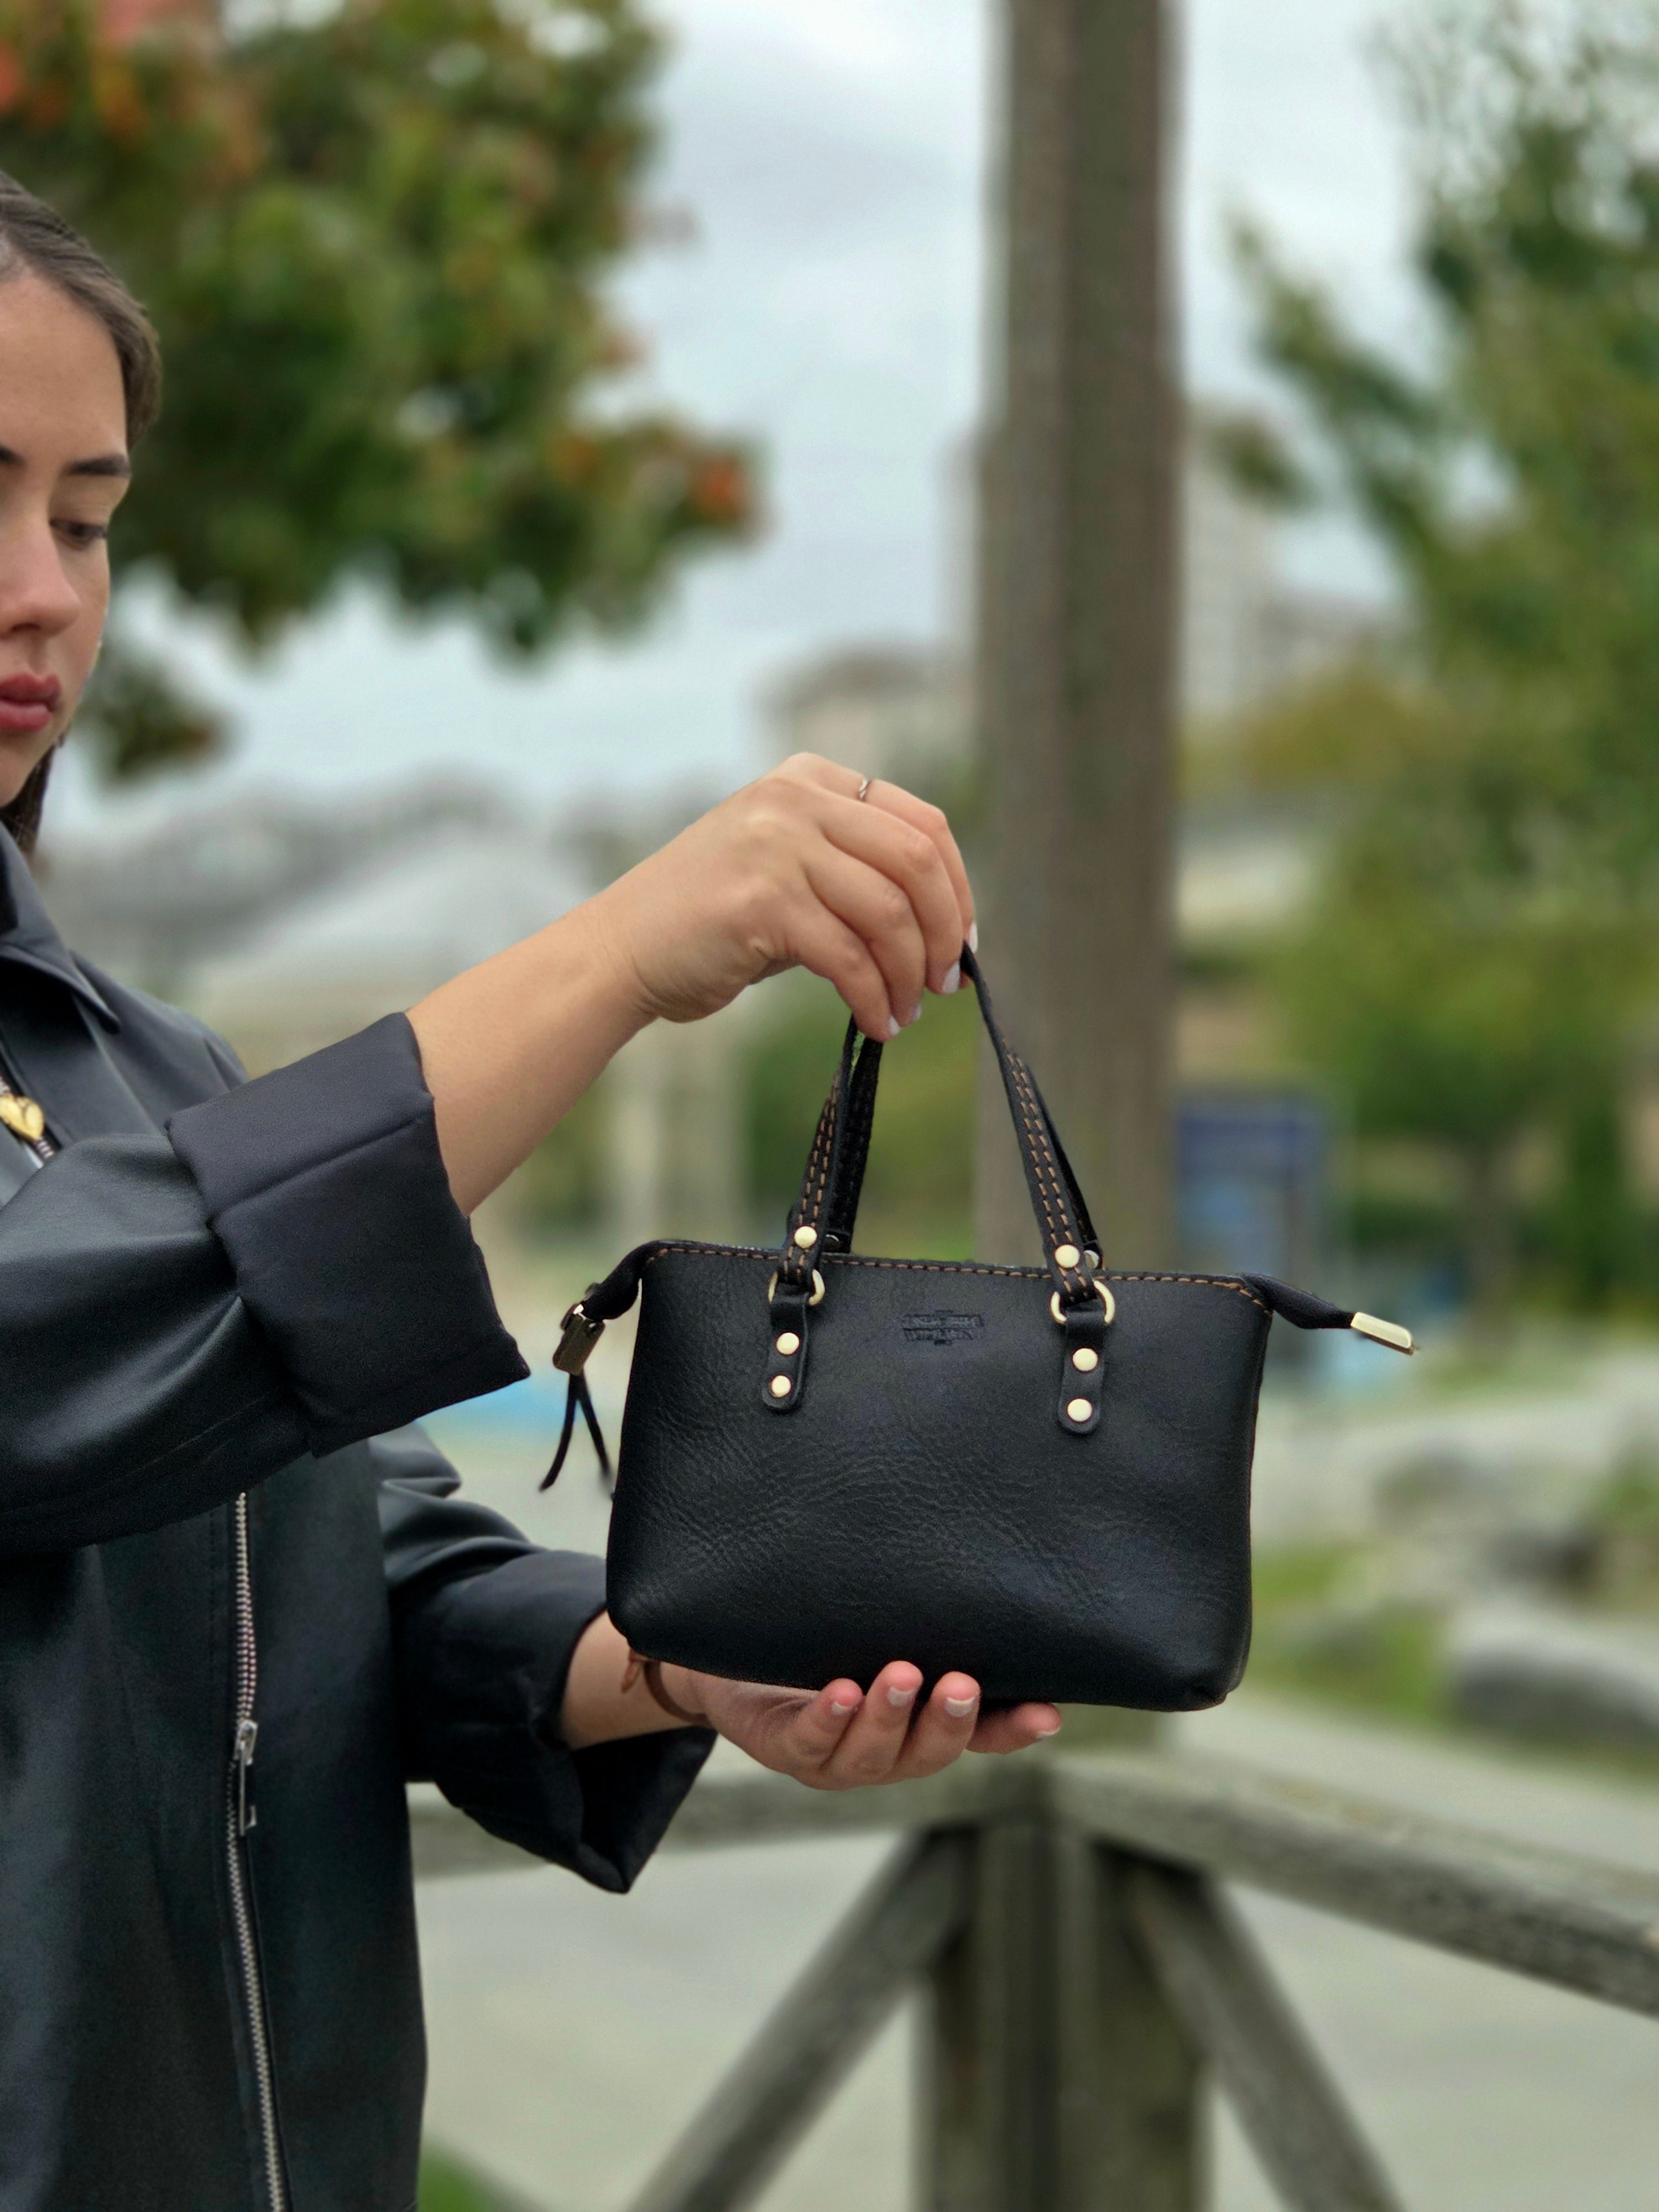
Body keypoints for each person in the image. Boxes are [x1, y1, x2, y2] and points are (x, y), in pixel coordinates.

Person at [0, 171, 1062, 2212]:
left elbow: (354, 1568)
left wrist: (689, 1658)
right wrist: (618, 956)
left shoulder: (151, 1071)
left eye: (89, 518)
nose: (44, 589)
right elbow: (60, 1352)